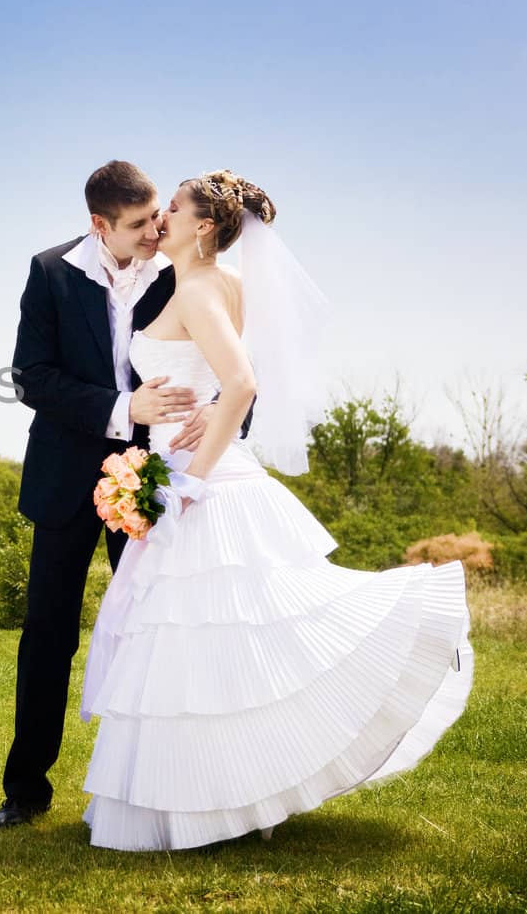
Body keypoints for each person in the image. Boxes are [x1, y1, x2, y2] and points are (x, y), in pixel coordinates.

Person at [78, 170, 473, 851]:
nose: (160, 217)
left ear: (203, 226)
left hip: (203, 481)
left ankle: (200, 804)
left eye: (172, 209)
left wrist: (189, 484)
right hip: (201, 465)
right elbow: (227, 377)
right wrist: (205, 420)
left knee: (195, 648)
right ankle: (227, 795)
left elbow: (243, 381)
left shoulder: (200, 288)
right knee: (224, 650)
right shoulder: (225, 283)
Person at [0, 160, 215, 829]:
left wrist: (214, 417)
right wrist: (123, 406)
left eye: (158, 216)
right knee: (48, 635)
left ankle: (155, 786)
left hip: (153, 478)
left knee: (155, 632)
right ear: (100, 224)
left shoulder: (176, 272)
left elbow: (223, 359)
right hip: (66, 479)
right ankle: (25, 790)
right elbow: (32, 376)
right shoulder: (52, 272)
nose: (157, 229)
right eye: (141, 223)